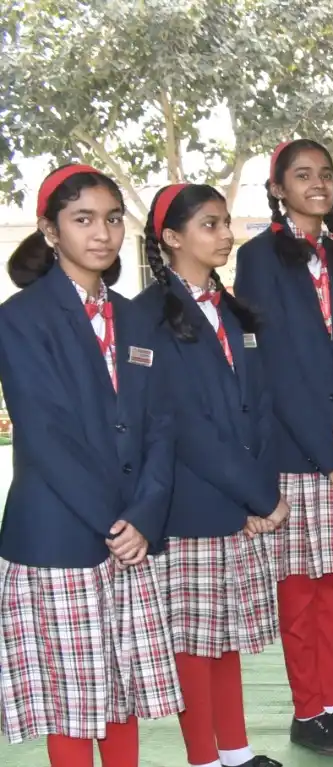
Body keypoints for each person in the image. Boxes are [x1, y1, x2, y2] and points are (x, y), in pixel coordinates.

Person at [0, 165, 181, 766]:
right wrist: (114, 523)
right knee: (74, 703)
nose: (101, 233)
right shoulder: (20, 318)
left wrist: (146, 514)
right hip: (61, 536)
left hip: (132, 531)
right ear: (50, 231)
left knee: (123, 690)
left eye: (110, 219)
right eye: (82, 219)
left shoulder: (136, 317)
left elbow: (160, 424)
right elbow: (46, 435)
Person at [233, 138, 333, 757]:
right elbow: (274, 367)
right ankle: (306, 713)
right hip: (300, 449)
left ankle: (331, 703)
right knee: (300, 591)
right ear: (278, 188)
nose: (317, 184)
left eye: (325, 174)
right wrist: (329, 458)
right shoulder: (259, 258)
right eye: (303, 176)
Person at [138, 183, 287, 767]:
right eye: (209, 225)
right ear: (172, 238)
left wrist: (260, 496)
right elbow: (185, 428)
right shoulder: (146, 316)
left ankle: (236, 750)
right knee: (193, 646)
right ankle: (203, 757)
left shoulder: (232, 310)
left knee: (224, 637)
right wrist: (257, 496)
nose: (225, 235)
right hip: (190, 505)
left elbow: (263, 405)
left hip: (239, 504)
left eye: (226, 223)